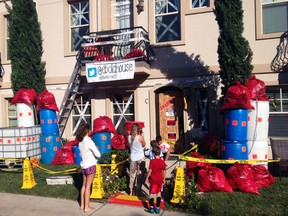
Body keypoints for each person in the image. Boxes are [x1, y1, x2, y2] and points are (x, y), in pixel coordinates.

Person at [76, 123, 101, 213]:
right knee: (88, 187)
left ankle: (82, 205)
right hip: (90, 165)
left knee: (84, 185)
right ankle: (87, 207)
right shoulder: (89, 141)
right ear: (87, 131)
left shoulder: (80, 142)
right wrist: (97, 150)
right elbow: (98, 154)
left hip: (84, 165)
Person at [145, 146, 166, 214]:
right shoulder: (162, 162)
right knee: (159, 193)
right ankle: (157, 208)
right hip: (160, 179)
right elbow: (164, 171)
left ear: (153, 154)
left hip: (153, 180)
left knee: (151, 193)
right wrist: (164, 179)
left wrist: (147, 178)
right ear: (160, 153)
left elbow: (150, 171)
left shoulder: (152, 161)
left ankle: (151, 208)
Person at [128, 123, 146, 195]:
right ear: (139, 130)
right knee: (140, 174)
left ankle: (131, 190)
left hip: (133, 157)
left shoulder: (129, 137)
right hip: (140, 157)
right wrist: (142, 136)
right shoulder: (140, 137)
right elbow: (144, 145)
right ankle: (138, 189)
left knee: (132, 175)